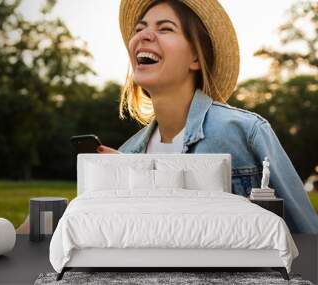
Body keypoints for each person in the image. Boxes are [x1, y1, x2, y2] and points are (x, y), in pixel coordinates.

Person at [96, 0, 318, 233]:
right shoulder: (127, 154)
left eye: (165, 28)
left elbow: (306, 236)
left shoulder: (246, 132)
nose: (144, 35)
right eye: (139, 29)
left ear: (195, 58)